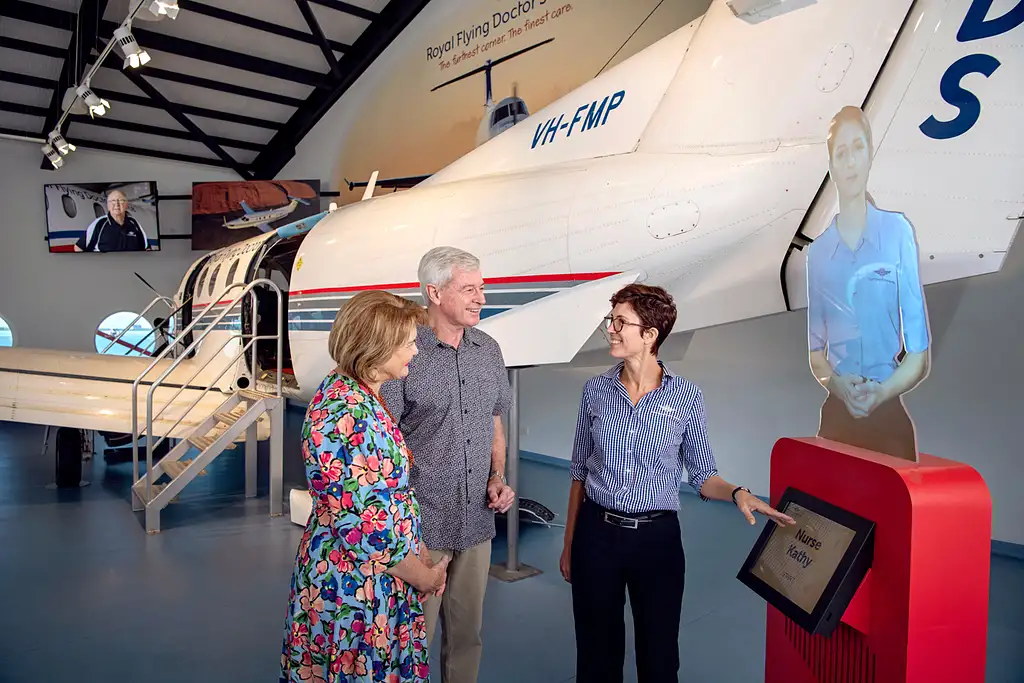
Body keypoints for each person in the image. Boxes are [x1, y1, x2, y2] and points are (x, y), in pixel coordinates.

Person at [559, 283, 795, 683]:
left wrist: (737, 492)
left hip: (657, 542)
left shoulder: (686, 396)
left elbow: (703, 476)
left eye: (621, 322)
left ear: (650, 335)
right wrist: (569, 546)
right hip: (596, 536)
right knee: (597, 655)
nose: (611, 330)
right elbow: (579, 472)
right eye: (610, 320)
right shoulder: (595, 391)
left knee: (659, 655)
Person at [281, 290, 450, 683]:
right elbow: (359, 524)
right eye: (407, 343)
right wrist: (421, 576)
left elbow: (389, 494)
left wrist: (418, 551)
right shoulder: (343, 411)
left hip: (383, 578)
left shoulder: (363, 396)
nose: (415, 351)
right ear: (376, 346)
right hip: (355, 589)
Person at [380, 246, 515, 683]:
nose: (481, 298)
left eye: (482, 288)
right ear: (434, 293)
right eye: (469, 289)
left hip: (477, 520)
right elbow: (386, 439)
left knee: (467, 634)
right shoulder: (404, 353)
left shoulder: (488, 350)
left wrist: (498, 476)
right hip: (422, 524)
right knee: (412, 636)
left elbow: (495, 420)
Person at [806, 105, 931, 462]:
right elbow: (817, 355)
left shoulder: (897, 234)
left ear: (870, 153)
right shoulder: (818, 254)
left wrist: (882, 392)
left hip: (887, 417)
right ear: (830, 164)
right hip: (837, 416)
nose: (850, 162)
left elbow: (918, 354)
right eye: (840, 153)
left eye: (857, 148)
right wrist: (839, 388)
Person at [74, 189, 151, 252]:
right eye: (113, 201)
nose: (117, 204)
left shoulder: (134, 224)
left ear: (126, 204)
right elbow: (78, 247)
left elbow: (147, 248)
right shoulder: (99, 224)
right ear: (108, 206)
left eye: (121, 201)